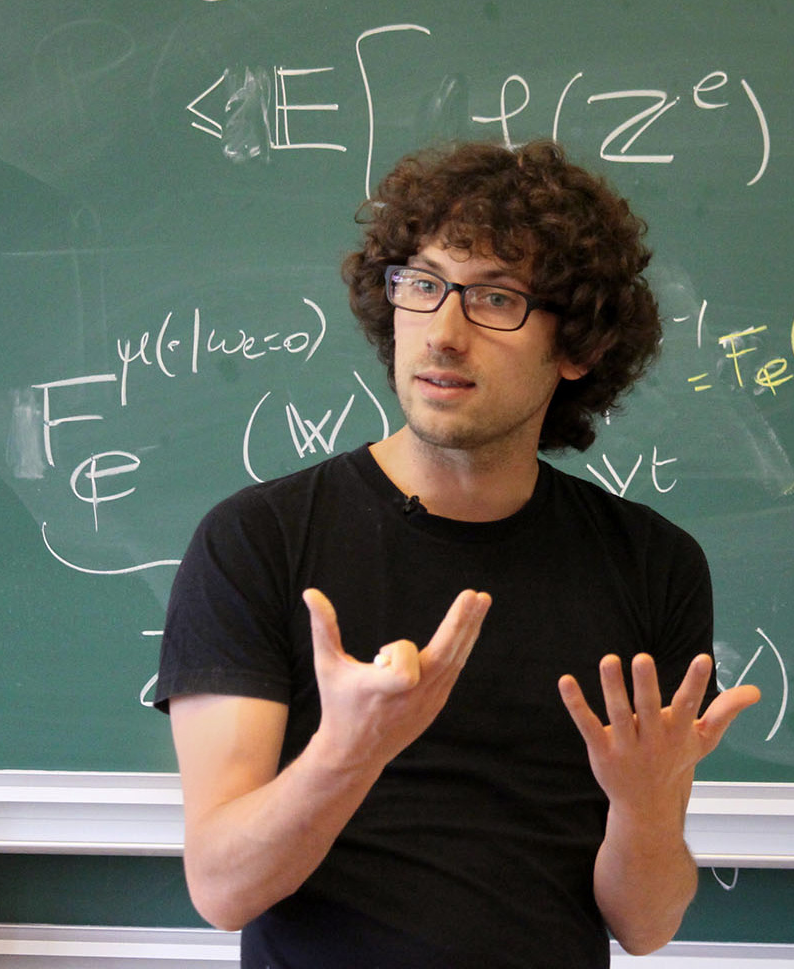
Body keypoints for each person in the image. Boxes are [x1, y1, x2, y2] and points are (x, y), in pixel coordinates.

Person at [154, 139, 761, 969]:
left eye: (496, 298)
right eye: (423, 285)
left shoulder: (650, 563)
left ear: (577, 345)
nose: (443, 333)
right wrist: (352, 747)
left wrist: (645, 808)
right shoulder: (257, 540)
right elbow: (222, 888)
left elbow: (645, 925)